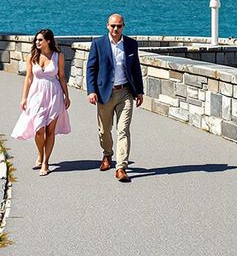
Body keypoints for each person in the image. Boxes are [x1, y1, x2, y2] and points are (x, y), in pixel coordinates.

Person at [85, 13, 144, 183]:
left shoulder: (131, 44)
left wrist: (139, 91)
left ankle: (121, 167)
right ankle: (107, 154)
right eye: (113, 26)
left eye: (119, 26)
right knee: (104, 130)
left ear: (123, 26)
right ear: (107, 26)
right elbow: (91, 69)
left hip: (125, 92)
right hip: (105, 93)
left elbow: (136, 69)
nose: (116, 29)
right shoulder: (98, 44)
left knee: (123, 130)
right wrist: (91, 91)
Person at [11, 28, 71, 176]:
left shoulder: (58, 56)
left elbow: (62, 76)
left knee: (50, 130)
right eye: (36, 40)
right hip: (36, 95)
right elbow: (29, 78)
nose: (37, 42)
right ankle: (40, 153)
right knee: (39, 129)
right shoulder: (32, 56)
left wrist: (66, 96)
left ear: (48, 41)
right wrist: (24, 97)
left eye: (40, 40)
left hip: (54, 94)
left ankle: (46, 162)